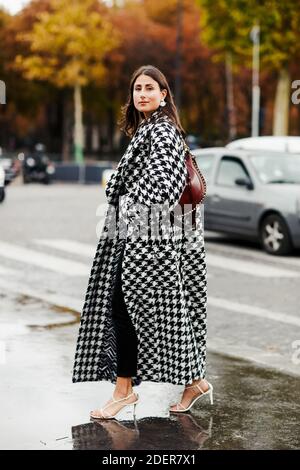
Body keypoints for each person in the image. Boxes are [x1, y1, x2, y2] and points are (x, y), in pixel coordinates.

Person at [72, 65, 213, 420]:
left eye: (150, 88)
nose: (143, 94)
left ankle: (125, 392)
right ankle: (190, 380)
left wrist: (125, 199)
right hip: (146, 236)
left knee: (127, 309)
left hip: (148, 240)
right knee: (162, 310)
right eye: (137, 88)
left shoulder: (161, 132)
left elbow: (161, 188)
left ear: (164, 94)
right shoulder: (150, 130)